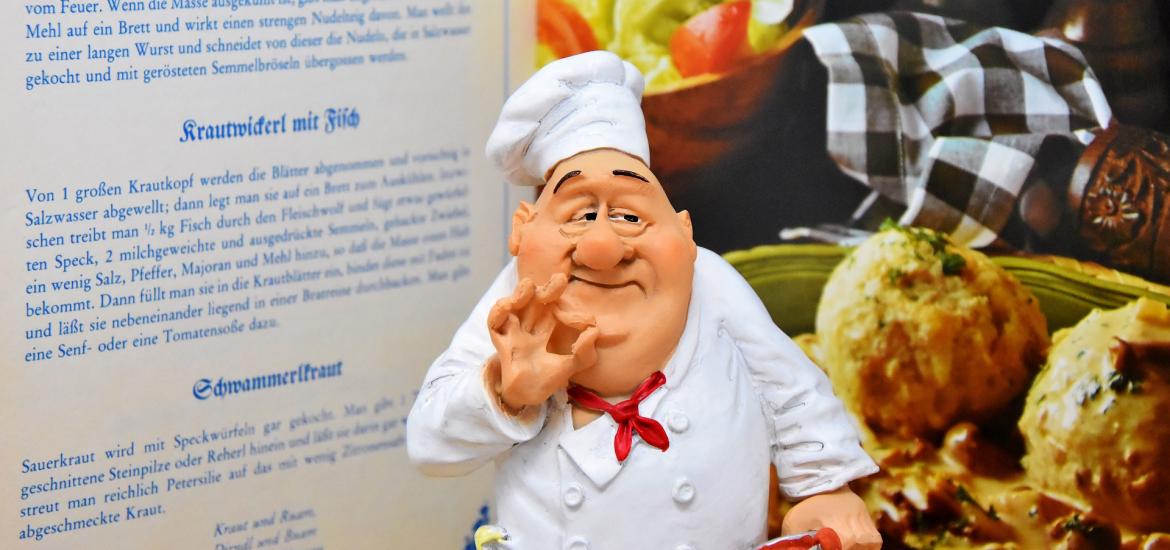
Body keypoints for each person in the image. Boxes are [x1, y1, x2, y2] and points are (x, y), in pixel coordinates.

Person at [407, 51, 880, 550]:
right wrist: (504, 390)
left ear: (685, 231)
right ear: (523, 230)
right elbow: (430, 443)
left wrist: (824, 486)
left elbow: (787, 385)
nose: (603, 249)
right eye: (581, 215)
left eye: (630, 216)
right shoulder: (514, 304)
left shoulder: (711, 283)